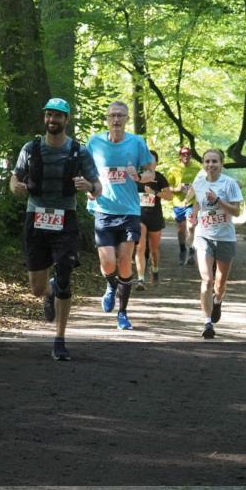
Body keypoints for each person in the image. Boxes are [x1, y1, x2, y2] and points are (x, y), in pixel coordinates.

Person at [11, 98, 102, 361]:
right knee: (37, 289)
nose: (53, 120)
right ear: (44, 118)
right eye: (49, 115)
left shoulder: (79, 151)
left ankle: (59, 339)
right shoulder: (31, 148)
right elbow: (15, 177)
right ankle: (48, 291)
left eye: (58, 116)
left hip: (66, 219)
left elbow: (98, 188)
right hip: (35, 217)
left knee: (64, 277)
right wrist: (15, 186)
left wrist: (89, 187)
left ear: (66, 120)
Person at [85, 101, 155, 331]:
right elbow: (83, 168)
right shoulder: (95, 142)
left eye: (120, 116)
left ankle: (123, 313)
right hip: (103, 209)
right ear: (107, 118)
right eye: (112, 115)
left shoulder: (137, 143)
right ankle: (110, 285)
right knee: (108, 263)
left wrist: (140, 177)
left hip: (129, 211)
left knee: (125, 262)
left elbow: (150, 171)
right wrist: (87, 185)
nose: (116, 119)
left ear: (126, 119)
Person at [184, 149, 243, 339]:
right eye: (207, 161)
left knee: (220, 283)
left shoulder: (229, 183)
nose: (211, 165)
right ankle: (207, 322)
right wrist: (193, 216)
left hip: (225, 237)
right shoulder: (199, 183)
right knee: (207, 280)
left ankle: (218, 300)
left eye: (214, 161)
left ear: (221, 163)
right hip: (204, 236)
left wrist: (218, 201)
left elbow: (237, 212)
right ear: (203, 163)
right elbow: (198, 203)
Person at [134, 150, 173, 290]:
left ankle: (155, 269)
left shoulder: (160, 178)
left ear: (156, 163)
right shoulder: (136, 178)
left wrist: (154, 193)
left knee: (154, 250)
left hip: (155, 217)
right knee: (139, 246)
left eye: (152, 160)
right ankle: (140, 279)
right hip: (139, 216)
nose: (149, 163)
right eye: (146, 160)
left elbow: (169, 196)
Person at [167, 146, 203, 265]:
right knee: (181, 229)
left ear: (191, 155)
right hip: (178, 203)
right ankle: (182, 249)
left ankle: (192, 250)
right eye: (183, 154)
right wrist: (177, 189)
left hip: (192, 202)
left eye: (188, 154)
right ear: (180, 156)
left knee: (191, 226)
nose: (186, 156)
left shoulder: (197, 168)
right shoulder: (173, 170)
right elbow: (167, 188)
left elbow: (202, 184)